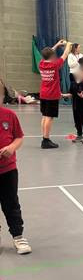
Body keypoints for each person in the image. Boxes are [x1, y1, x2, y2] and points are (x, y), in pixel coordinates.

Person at [0, 80, 31, 255]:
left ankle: (18, 236)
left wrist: (11, 148)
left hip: (8, 170)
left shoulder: (9, 116)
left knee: (11, 203)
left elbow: (18, 137)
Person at [39, 39, 72, 149]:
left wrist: (57, 45)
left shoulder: (42, 63)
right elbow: (65, 54)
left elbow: (47, 54)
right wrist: (68, 45)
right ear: (52, 56)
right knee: (49, 117)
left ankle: (44, 137)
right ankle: (46, 140)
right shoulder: (55, 64)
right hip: (51, 95)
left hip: (43, 94)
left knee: (44, 116)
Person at [69, 67, 83, 144]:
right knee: (77, 121)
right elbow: (70, 93)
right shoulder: (73, 84)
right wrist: (62, 95)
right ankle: (79, 135)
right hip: (75, 106)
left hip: (82, 106)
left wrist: (82, 96)